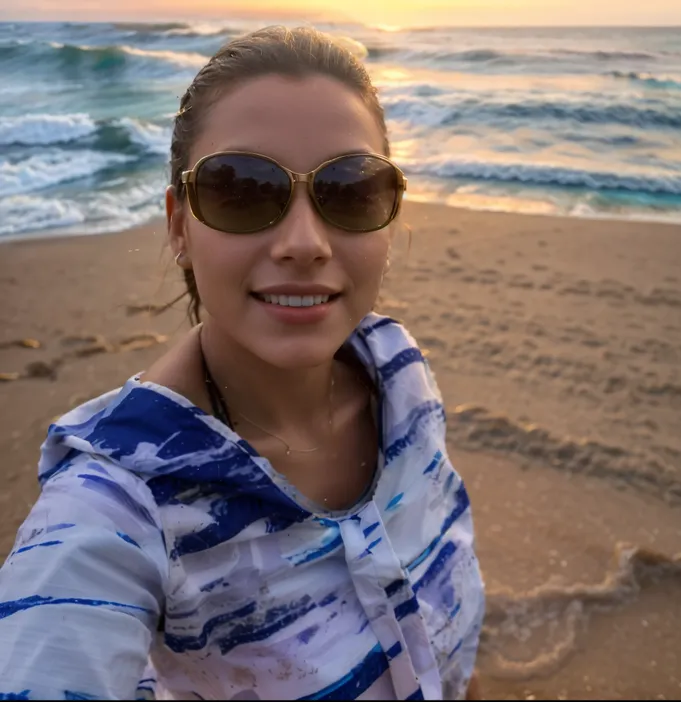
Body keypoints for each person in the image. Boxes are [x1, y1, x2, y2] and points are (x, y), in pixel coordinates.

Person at [0, 26, 484, 700]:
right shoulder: (120, 505)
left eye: (350, 189)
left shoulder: (400, 373)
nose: (305, 243)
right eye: (242, 189)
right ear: (178, 227)